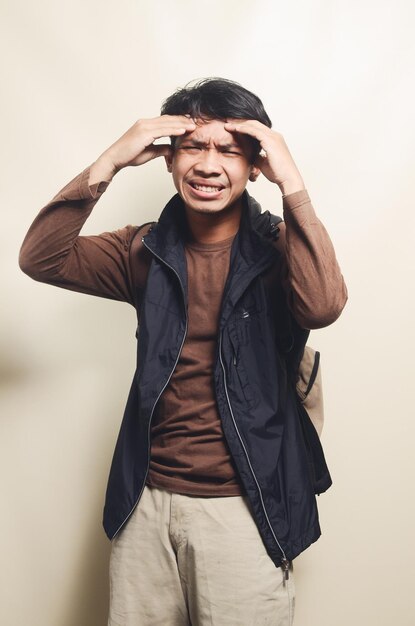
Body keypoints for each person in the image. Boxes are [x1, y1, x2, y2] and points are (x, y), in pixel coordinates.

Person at [19, 77, 347, 626]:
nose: (209, 164)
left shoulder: (278, 250)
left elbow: (322, 306)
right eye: (194, 146)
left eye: (229, 149)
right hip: (144, 501)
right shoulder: (140, 250)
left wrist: (292, 181)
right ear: (169, 160)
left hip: (245, 506)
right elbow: (41, 258)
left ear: (255, 164)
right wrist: (110, 160)